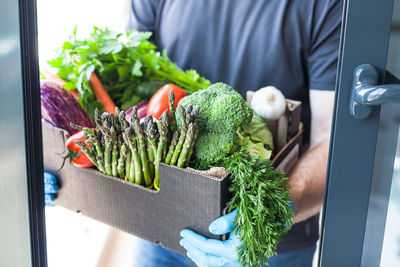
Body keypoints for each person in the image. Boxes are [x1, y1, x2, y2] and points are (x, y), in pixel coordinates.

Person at [45, 0, 342, 266]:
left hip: (269, 248)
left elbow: (333, 140)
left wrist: (269, 214)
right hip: (163, 229)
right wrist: (55, 161)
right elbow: (128, 85)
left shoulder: (328, 5)